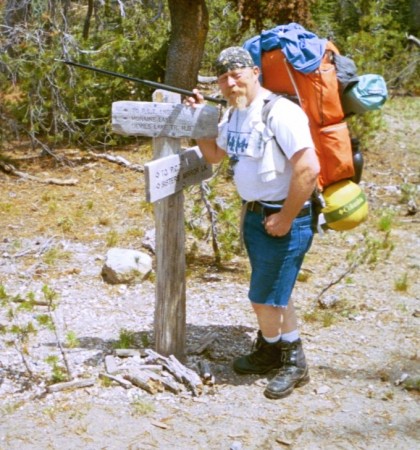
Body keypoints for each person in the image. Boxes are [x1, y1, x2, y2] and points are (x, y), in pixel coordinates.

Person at [185, 47, 320, 399]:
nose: (231, 83)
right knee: (276, 291)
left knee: (263, 298)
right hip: (257, 215)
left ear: (254, 72)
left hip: (285, 217)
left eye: (237, 74)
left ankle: (293, 360)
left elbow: (309, 169)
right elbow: (214, 156)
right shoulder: (236, 115)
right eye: (223, 78)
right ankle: (271, 350)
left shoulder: (282, 112)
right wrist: (202, 120)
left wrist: (287, 217)